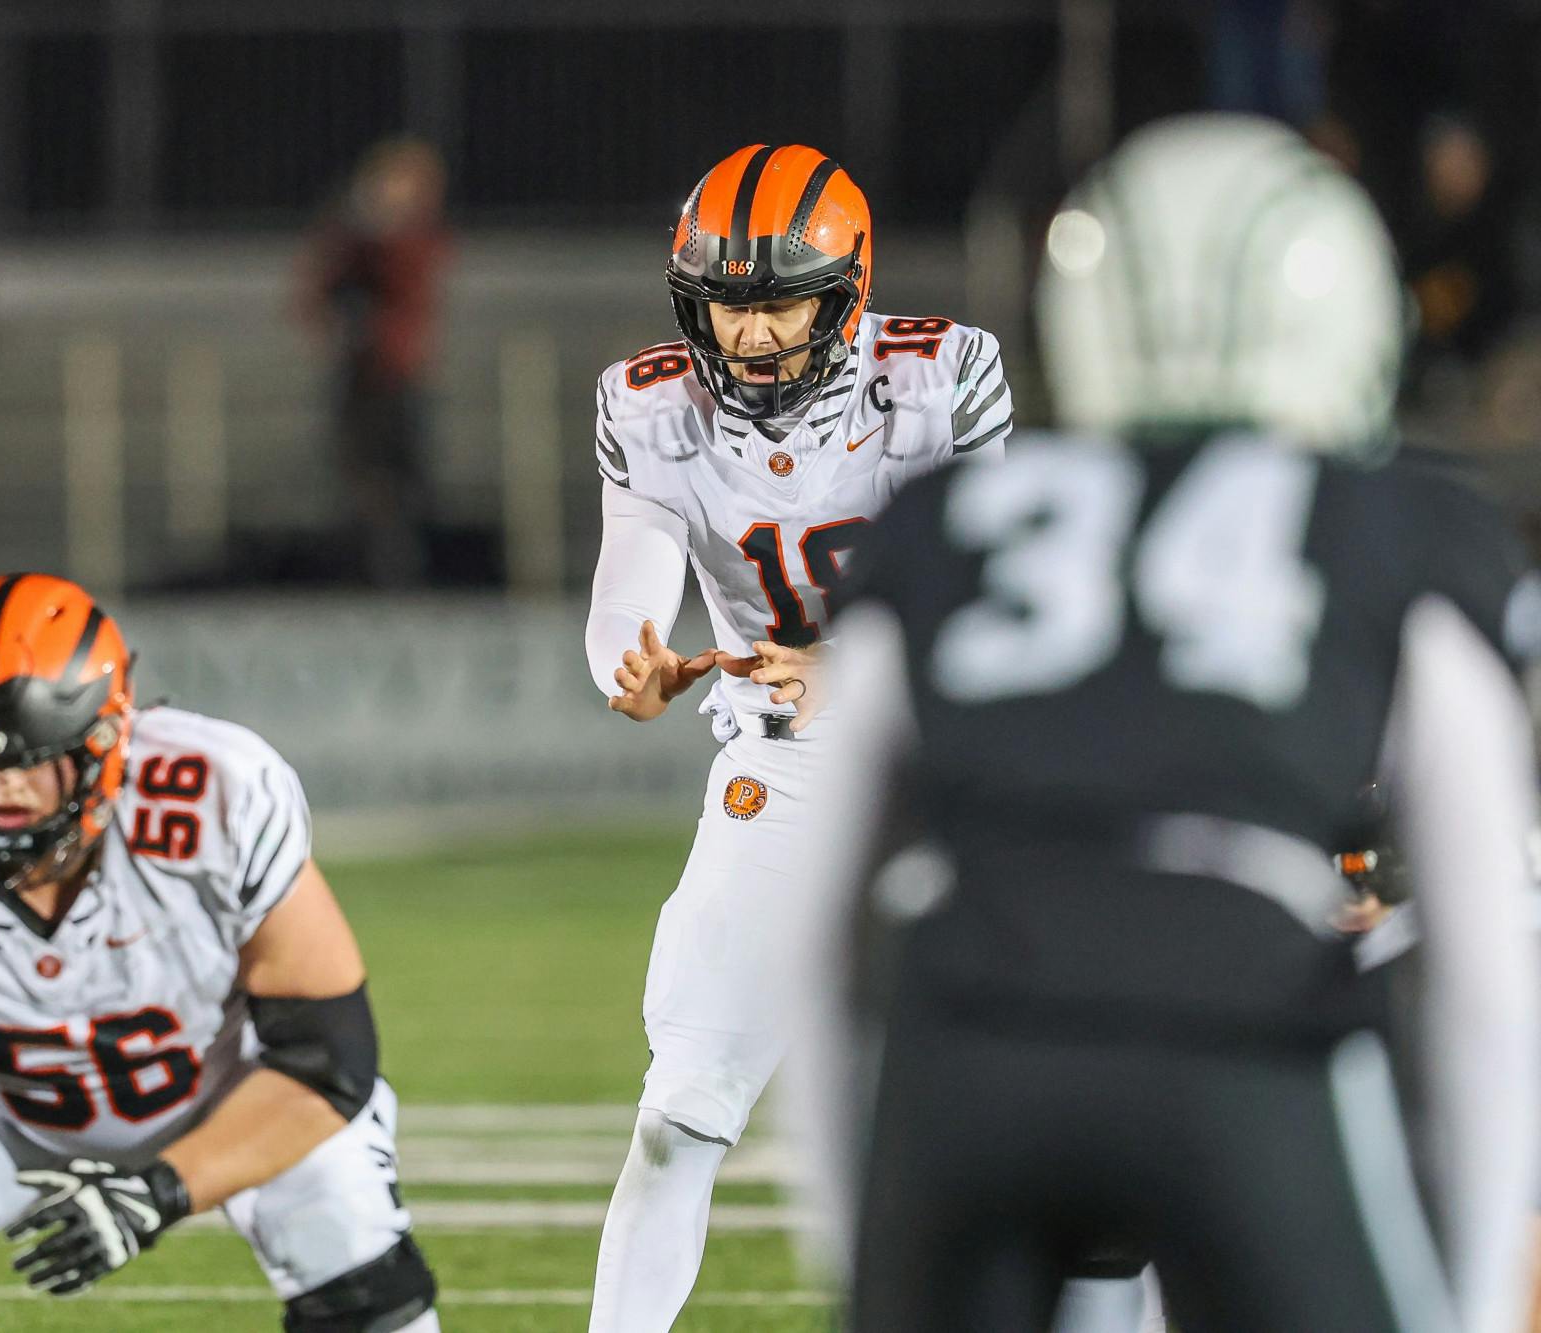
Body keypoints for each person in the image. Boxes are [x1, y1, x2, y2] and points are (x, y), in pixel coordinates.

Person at [790, 113, 1540, 1332]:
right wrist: (1459, 1300)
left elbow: (816, 932)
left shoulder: (942, 521)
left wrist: (863, 1238)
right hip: (1236, 1025)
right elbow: (1485, 971)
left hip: (972, 1029)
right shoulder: (1393, 528)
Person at [0, 573, 438, 1333]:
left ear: (108, 739)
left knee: (348, 1243)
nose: (2, 790)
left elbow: (327, 1062)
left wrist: (160, 1192)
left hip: (230, 1091)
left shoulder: (220, 794)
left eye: (31, 760)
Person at [581, 142, 1013, 1333]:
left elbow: (994, 593)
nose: (752, 333)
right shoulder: (647, 402)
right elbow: (630, 579)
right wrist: (630, 662)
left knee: (1041, 1108)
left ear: (847, 288)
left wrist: (852, 665)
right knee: (678, 1116)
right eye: (727, 303)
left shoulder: (941, 378)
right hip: (787, 761)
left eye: (777, 301)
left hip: (961, 762)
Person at [295, 138, 450, 588]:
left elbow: (412, 277)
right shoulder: (353, 239)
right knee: (361, 478)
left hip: (402, 375)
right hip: (363, 377)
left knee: (406, 480)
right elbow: (317, 292)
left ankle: (407, 574)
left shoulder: (411, 239)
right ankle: (366, 571)